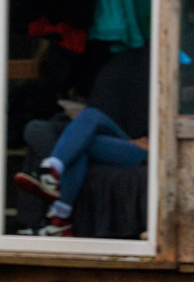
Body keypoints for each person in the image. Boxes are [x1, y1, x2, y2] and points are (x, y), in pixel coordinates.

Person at [17, 47, 150, 238]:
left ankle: (52, 174)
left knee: (87, 123)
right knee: (85, 131)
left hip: (151, 152)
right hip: (131, 143)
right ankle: (59, 217)